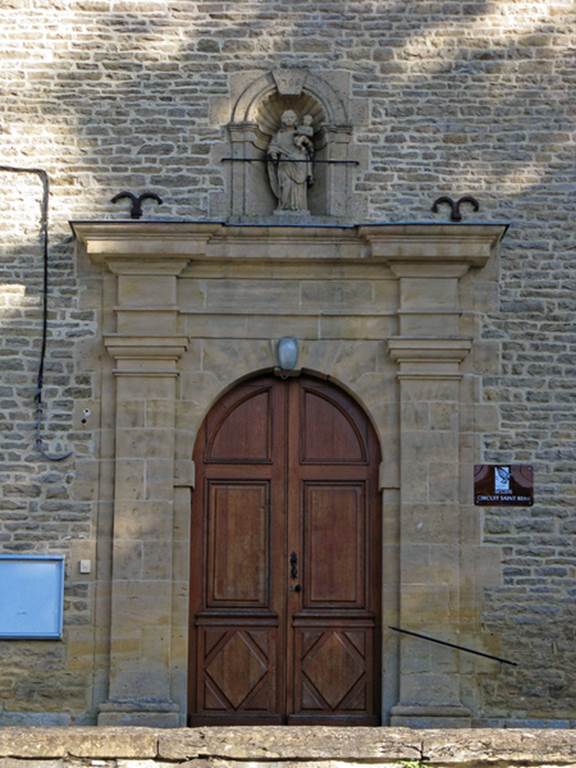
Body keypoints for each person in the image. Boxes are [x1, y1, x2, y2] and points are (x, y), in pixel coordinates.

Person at [267, 110, 314, 213]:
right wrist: (273, 153)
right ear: (282, 120)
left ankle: (299, 208)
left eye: (291, 117)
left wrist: (305, 142)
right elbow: (272, 147)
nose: (289, 119)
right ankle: (284, 206)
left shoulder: (300, 132)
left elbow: (310, 149)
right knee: (285, 185)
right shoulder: (278, 135)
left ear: (295, 119)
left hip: (300, 162)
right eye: (286, 117)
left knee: (298, 187)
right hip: (285, 162)